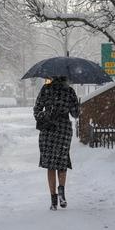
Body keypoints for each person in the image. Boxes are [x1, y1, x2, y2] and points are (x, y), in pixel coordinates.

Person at [33, 76, 79, 211]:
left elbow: (36, 110)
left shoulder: (46, 89)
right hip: (64, 130)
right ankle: (62, 192)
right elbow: (75, 114)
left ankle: (53, 200)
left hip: (48, 130)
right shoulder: (70, 91)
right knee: (62, 162)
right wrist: (74, 105)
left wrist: (46, 115)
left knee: (50, 165)